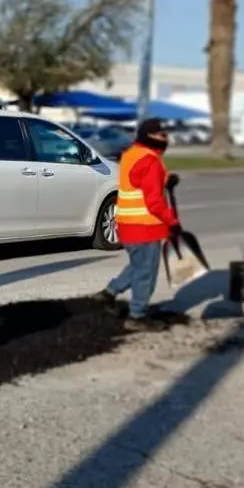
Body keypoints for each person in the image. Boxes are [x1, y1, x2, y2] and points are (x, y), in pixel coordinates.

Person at [93, 118, 181, 332]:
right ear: (150, 137)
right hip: (144, 228)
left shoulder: (133, 154)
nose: (165, 139)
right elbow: (153, 201)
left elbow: (139, 181)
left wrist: (166, 179)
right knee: (146, 273)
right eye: (162, 135)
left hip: (127, 226)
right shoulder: (150, 161)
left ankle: (108, 294)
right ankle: (137, 316)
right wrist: (172, 221)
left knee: (138, 266)